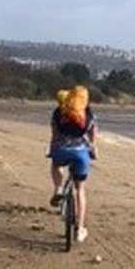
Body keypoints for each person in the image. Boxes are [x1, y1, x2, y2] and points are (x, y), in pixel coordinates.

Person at [49, 86, 98, 242]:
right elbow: (93, 136)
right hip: (81, 154)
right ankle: (80, 228)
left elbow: (54, 135)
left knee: (56, 165)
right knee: (80, 190)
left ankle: (58, 188)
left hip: (61, 150)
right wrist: (93, 149)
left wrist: (53, 149)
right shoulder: (88, 114)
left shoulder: (59, 112)